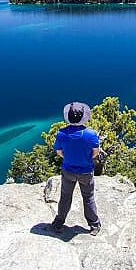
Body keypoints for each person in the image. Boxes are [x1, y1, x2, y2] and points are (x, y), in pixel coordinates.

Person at [51, 101, 102, 236]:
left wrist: (68, 158)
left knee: (65, 197)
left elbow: (59, 152)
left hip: (68, 170)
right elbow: (95, 152)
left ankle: (58, 223)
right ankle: (94, 225)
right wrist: (86, 158)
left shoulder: (61, 133)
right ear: (83, 117)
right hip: (86, 171)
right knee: (88, 197)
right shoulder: (91, 134)